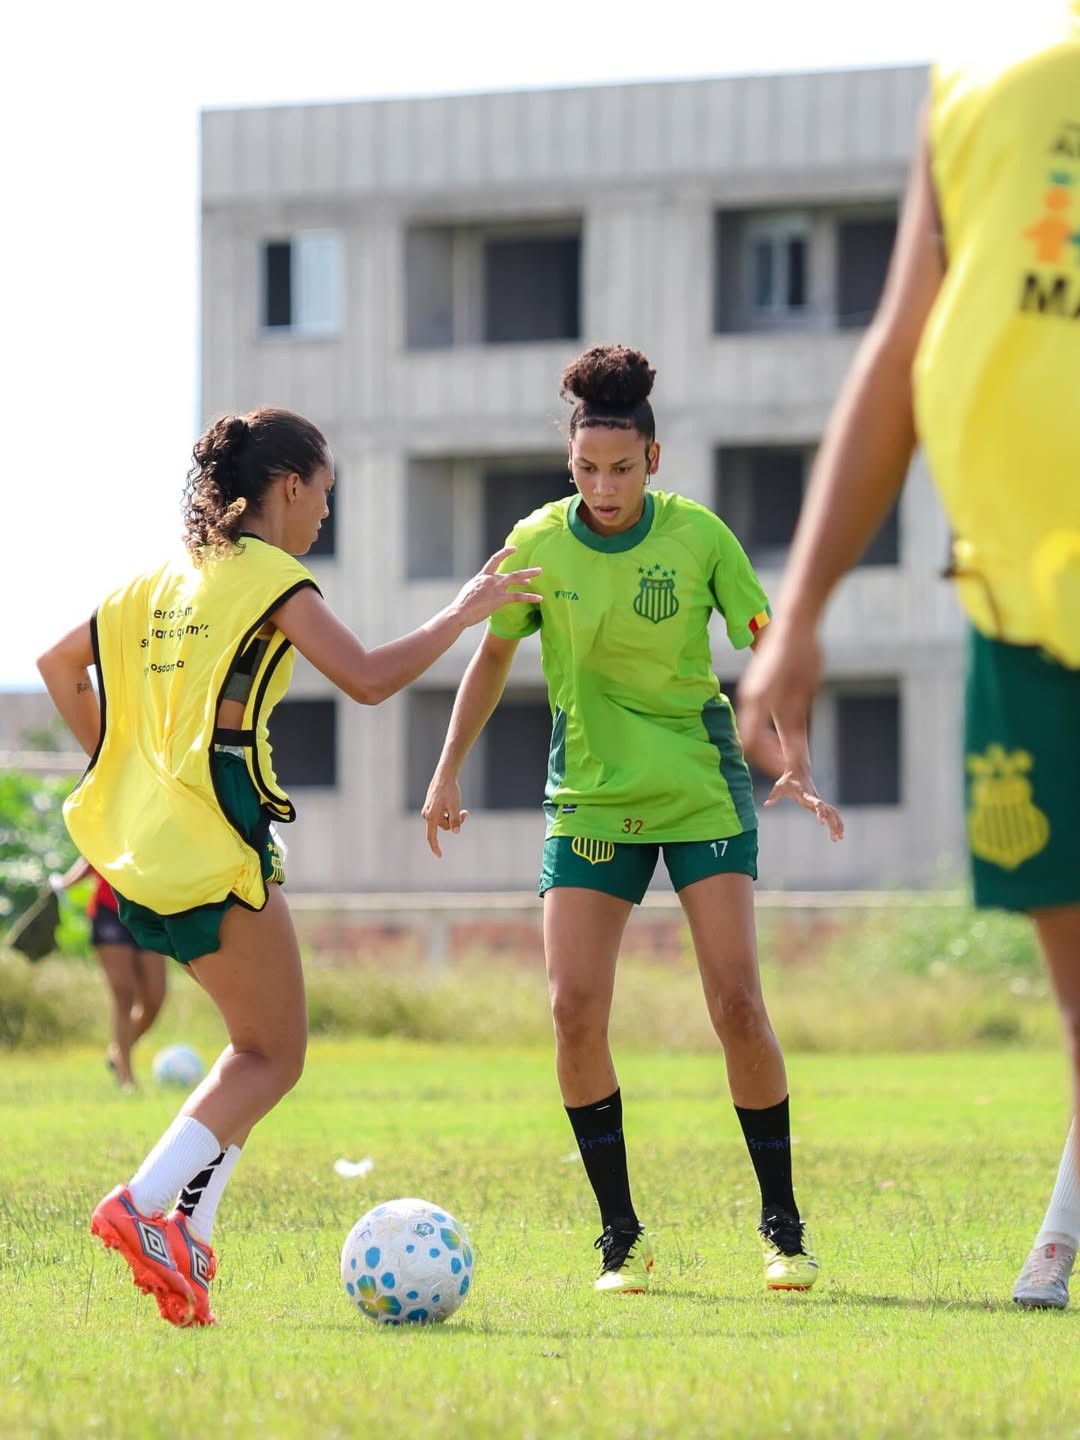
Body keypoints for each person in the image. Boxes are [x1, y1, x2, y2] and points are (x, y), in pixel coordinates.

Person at [36, 406, 541, 1327]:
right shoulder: (270, 574)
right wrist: (463, 611)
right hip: (216, 841)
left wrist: (122, 761)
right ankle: (145, 1207)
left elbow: (58, 662)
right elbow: (370, 677)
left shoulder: (157, 580)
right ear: (288, 486)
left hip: (140, 849)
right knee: (275, 1053)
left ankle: (193, 1228)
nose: (325, 513)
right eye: (325, 492)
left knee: (250, 1047)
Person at [736, 11, 1080, 1309]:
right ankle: (1066, 1221)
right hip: (1022, 609)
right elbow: (900, 347)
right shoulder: (977, 81)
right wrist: (806, 602)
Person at [422, 345, 843, 1294]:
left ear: (654, 461)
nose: (603, 487)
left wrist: (798, 759)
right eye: (586, 469)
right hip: (592, 798)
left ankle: (783, 1227)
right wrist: (446, 768)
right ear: (568, 464)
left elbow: (770, 650)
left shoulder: (700, 537)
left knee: (736, 1002)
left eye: (621, 468)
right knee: (572, 1011)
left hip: (700, 791)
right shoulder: (535, 541)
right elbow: (491, 660)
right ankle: (623, 1237)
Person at [53, 856, 167, 1089]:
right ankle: (126, 1078)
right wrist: (65, 883)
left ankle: (117, 1053)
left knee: (155, 999)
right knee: (124, 994)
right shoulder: (111, 818)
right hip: (109, 911)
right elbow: (93, 853)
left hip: (149, 912)